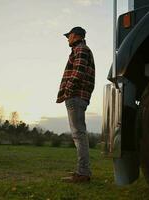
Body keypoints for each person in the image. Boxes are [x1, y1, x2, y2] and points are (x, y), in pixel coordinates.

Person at [56, 26, 95, 183]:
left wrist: (68, 91)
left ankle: (83, 173)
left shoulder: (81, 49)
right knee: (79, 134)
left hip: (76, 96)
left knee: (78, 134)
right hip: (77, 96)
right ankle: (82, 171)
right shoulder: (80, 50)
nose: (68, 38)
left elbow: (78, 73)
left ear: (76, 36)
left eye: (69, 35)